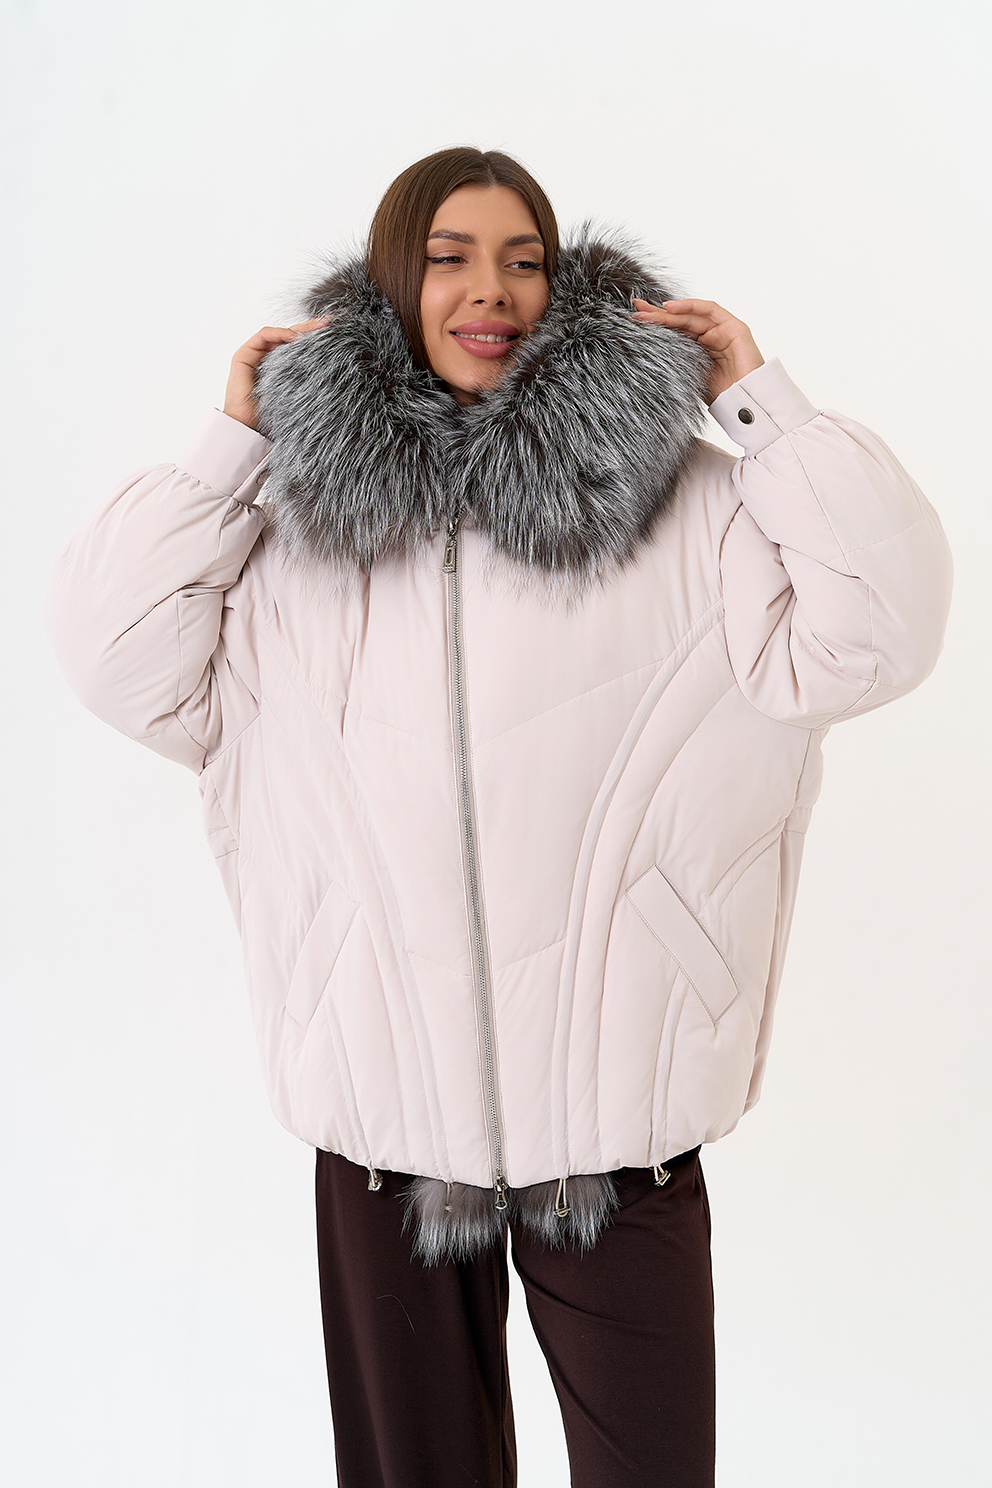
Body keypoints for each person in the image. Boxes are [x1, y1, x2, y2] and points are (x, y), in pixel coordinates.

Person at [44, 146, 953, 1488]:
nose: (491, 290)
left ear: (563, 285)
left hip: (620, 1126)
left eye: (524, 260)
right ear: (389, 284)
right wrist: (231, 449)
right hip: (384, 1129)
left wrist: (765, 408)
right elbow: (113, 659)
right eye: (449, 258)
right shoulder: (292, 534)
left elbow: (884, 632)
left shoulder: (695, 505)